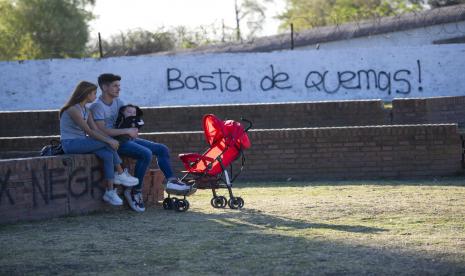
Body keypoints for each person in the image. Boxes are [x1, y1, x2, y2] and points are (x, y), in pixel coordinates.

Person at [90, 73, 195, 213]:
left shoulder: (118, 102)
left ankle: (171, 181)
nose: (118, 89)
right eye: (115, 86)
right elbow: (101, 130)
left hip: (125, 138)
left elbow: (127, 122)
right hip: (111, 143)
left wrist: (134, 123)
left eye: (119, 86)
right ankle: (135, 191)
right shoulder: (97, 106)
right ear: (104, 87)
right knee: (145, 153)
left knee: (162, 149)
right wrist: (127, 129)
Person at [59, 81, 139, 206]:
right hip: (70, 144)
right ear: (86, 94)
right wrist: (109, 141)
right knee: (107, 144)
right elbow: (88, 131)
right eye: (94, 93)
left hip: (82, 142)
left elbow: (95, 130)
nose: (96, 96)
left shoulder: (86, 110)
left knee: (107, 155)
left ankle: (110, 191)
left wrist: (110, 140)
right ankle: (120, 172)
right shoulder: (72, 109)